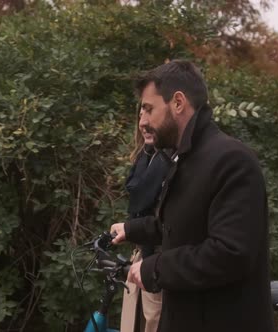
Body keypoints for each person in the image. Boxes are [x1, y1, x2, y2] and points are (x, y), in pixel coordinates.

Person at [109, 60, 274, 331]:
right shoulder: (184, 158)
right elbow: (178, 227)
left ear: (178, 103)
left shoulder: (231, 160)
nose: (144, 121)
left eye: (149, 109)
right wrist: (132, 229)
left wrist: (155, 268)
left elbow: (230, 254)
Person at [120, 107, 172, 332]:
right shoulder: (145, 157)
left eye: (150, 114)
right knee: (131, 324)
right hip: (140, 254)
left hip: (159, 260)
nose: (143, 123)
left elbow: (167, 220)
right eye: (140, 114)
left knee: (154, 322)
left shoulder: (171, 160)